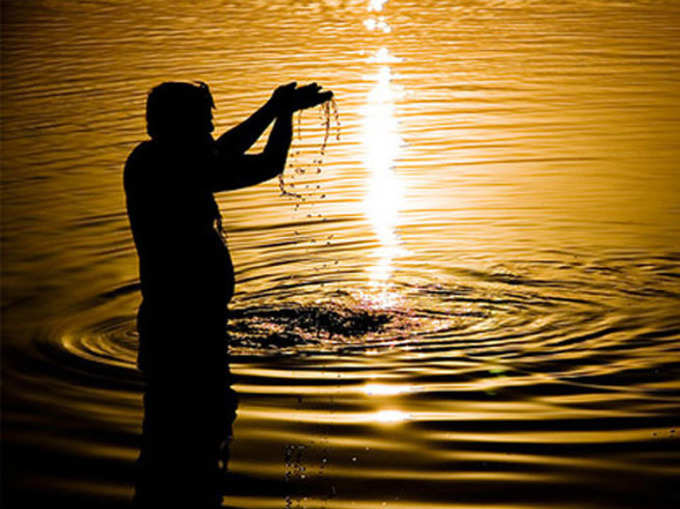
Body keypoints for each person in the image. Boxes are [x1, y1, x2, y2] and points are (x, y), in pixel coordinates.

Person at [124, 81, 332, 508]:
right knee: (190, 438)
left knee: (192, 441)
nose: (210, 129)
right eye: (203, 122)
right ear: (179, 125)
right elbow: (269, 164)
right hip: (183, 333)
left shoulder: (161, 158)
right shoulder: (171, 168)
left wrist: (274, 107)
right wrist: (285, 115)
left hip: (186, 326)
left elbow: (223, 148)